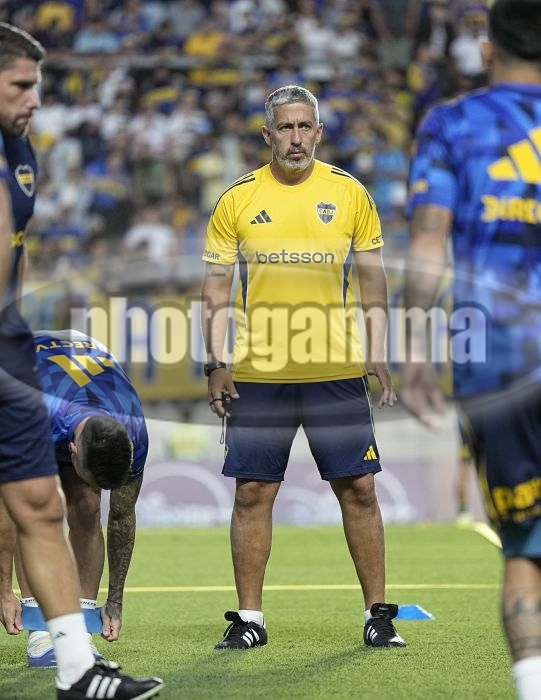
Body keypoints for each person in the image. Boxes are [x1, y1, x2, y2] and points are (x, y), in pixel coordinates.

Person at [200, 84, 405, 651]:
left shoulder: (350, 193)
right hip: (258, 375)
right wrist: (215, 362)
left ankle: (378, 615)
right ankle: (249, 620)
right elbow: (215, 286)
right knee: (252, 493)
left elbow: (374, 279)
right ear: (267, 134)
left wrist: (377, 350)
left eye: (304, 127)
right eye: (285, 128)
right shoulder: (237, 199)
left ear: (319, 131)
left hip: (335, 371)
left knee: (359, 489)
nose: (296, 138)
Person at [0, 23, 163, 699]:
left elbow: (14, 252)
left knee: (54, 505)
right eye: (21, 85)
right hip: (30, 368)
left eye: (36, 85)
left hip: (20, 344)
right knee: (25, 502)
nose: (36, 100)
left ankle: (77, 660)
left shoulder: (19, 154)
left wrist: (116, 598)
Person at [401, 2, 541, 698]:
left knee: (525, 546)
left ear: (487, 49)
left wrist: (413, 348)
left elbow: (429, 241)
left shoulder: (452, 123)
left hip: (496, 354)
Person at [0, 329, 149, 668]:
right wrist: (3, 590)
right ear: (72, 450)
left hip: (85, 373)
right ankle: (42, 631)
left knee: (87, 505)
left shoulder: (134, 433)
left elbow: (122, 516)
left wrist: (115, 601)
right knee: (34, 504)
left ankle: (77, 628)